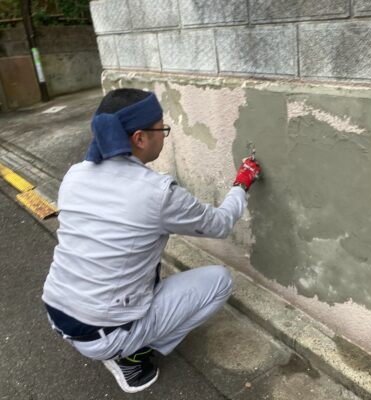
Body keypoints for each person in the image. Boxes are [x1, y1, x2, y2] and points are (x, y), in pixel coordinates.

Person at [42, 88, 261, 393]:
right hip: (103, 332)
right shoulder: (157, 193)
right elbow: (220, 224)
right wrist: (241, 184)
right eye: (162, 128)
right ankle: (132, 356)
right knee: (220, 281)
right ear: (140, 138)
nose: (164, 136)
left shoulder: (75, 174)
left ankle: (122, 342)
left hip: (59, 312)